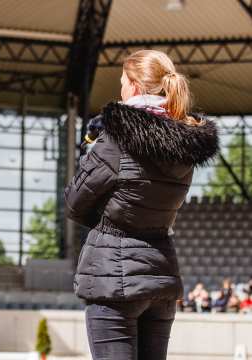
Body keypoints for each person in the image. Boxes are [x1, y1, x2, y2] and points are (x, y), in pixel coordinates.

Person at [65, 49, 219, 360]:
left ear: (134, 86)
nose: (121, 89)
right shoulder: (185, 146)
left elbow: (74, 203)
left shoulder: (113, 141)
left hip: (113, 278)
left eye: (123, 82)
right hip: (160, 274)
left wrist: (92, 149)